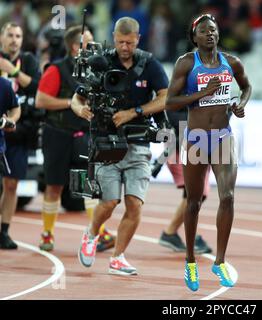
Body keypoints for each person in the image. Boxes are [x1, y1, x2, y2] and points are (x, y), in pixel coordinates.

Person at [73, 17, 168, 276]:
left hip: (138, 143)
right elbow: (76, 97)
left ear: (138, 38)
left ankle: (118, 258)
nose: (124, 47)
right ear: (113, 37)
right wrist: (79, 108)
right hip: (106, 143)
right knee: (109, 202)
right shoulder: (101, 62)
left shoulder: (150, 64)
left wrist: (134, 111)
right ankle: (91, 235)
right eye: (119, 42)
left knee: (135, 204)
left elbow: (165, 97)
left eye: (129, 42)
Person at [165, 13, 251, 291]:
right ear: (194, 37)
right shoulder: (186, 63)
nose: (210, 34)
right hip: (197, 138)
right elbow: (170, 103)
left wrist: (239, 102)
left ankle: (220, 260)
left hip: (224, 137)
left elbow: (247, 86)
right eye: (203, 31)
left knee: (228, 197)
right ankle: (190, 260)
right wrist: (200, 95)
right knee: (193, 202)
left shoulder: (232, 62)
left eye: (213, 30)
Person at [35, 25, 115, 252]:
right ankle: (47, 233)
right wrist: (72, 103)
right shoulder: (57, 69)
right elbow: (41, 100)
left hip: (83, 134)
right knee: (54, 186)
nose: (94, 46)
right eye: (89, 42)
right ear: (74, 46)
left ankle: (97, 232)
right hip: (57, 134)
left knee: (87, 185)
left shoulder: (97, 71)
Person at [0, 22, 40, 250]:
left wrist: (13, 71)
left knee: (12, 184)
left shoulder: (29, 61)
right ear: (2, 37)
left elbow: (38, 87)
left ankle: (4, 231)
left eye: (18, 35)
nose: (14, 39)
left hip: (19, 132)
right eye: (10, 35)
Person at [158, 107, 212, 254]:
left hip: (199, 147)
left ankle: (175, 234)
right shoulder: (182, 89)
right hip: (180, 148)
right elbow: (175, 119)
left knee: (197, 194)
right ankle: (172, 233)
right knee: (195, 193)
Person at [0, 77, 21, 249]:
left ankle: (4, 232)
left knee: (7, 187)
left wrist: (11, 120)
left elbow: (16, 108)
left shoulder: (4, 85)